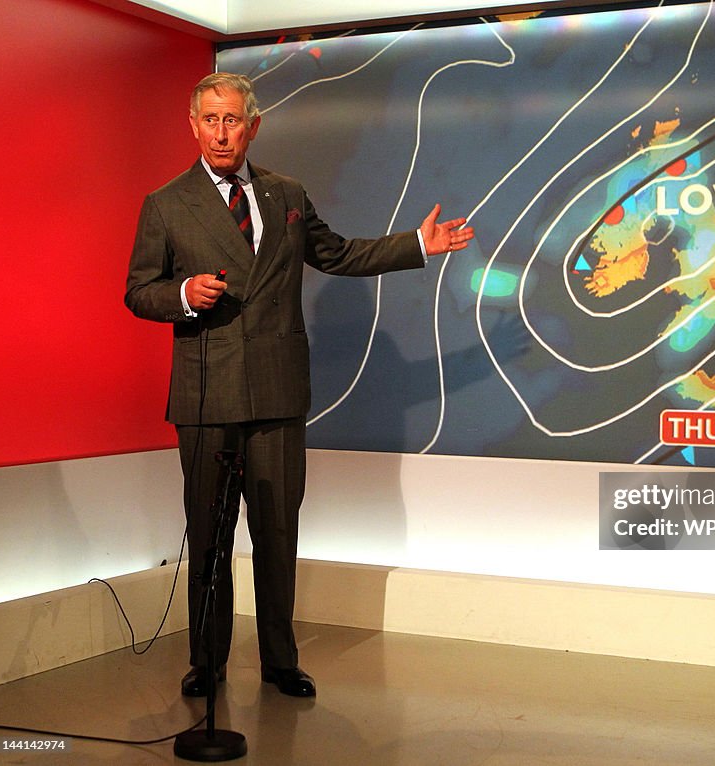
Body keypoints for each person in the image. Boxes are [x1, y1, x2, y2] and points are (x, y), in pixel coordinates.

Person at [125, 72, 474, 698]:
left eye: (233, 120)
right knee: (208, 536)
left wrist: (416, 245)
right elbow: (138, 291)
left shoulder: (287, 193)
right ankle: (207, 661)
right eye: (210, 119)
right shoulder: (167, 203)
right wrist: (181, 294)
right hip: (207, 393)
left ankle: (280, 661)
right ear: (193, 125)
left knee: (277, 531)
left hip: (278, 393)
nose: (221, 132)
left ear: (253, 125)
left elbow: (337, 254)